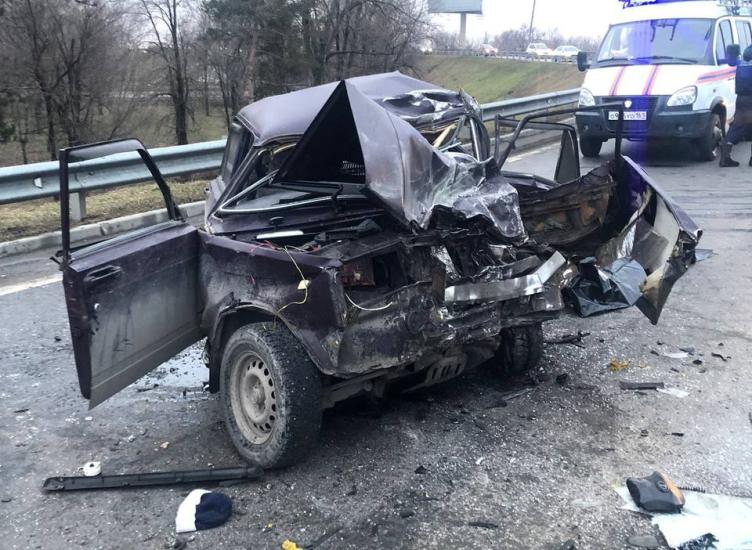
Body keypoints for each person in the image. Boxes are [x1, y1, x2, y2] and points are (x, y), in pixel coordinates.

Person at [720, 45, 752, 167]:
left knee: (737, 126)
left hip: (741, 98)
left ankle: (725, 157)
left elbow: (731, 62)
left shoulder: (743, 59)